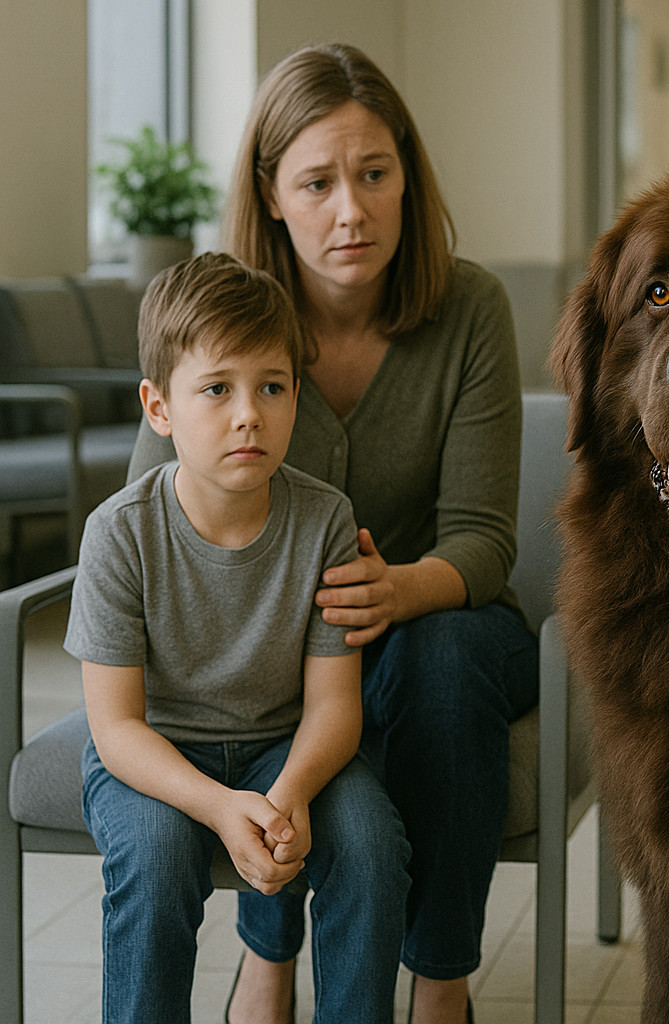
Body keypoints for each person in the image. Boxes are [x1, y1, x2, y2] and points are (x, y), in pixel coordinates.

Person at [126, 44, 537, 1024]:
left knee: (439, 653)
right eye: (316, 182)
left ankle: (440, 984)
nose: (351, 210)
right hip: (286, 645)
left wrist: (400, 589)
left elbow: (484, 540)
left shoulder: (473, 307)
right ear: (272, 194)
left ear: (407, 174)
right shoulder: (225, 319)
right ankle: (269, 958)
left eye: (375, 174)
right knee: (277, 674)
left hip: (446, 628)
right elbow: (149, 513)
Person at [70, 253, 410, 1024]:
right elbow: (115, 727)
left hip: (284, 745)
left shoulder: (324, 519)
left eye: (272, 387)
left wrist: (284, 797)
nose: (248, 413)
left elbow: (334, 709)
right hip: (155, 755)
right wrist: (223, 807)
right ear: (159, 407)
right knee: (154, 864)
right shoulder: (119, 534)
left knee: (372, 852)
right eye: (217, 389)